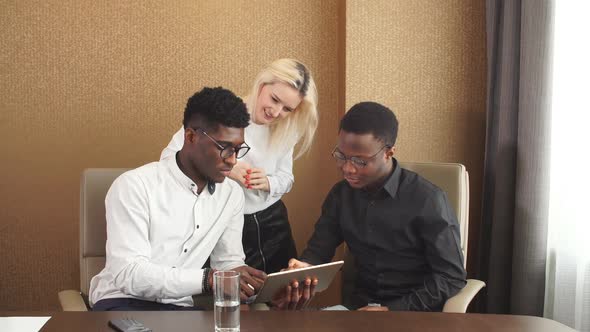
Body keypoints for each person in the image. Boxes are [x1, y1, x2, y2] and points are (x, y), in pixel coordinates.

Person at [89, 87, 267, 311]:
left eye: (238, 149)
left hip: (180, 310)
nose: (232, 161)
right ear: (191, 136)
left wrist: (264, 290)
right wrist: (207, 279)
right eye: (224, 147)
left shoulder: (231, 195)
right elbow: (129, 274)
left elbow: (228, 266)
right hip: (122, 302)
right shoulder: (134, 186)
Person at [287, 102, 467, 312]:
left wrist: (393, 311)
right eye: (341, 156)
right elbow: (318, 250)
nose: (347, 168)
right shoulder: (341, 195)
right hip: (358, 310)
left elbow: (451, 277)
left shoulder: (428, 199)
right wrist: (304, 268)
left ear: (388, 153)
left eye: (360, 161)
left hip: (413, 313)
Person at [160, 59, 319, 274]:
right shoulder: (222, 112)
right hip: (221, 220)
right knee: (226, 291)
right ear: (262, 84)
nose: (276, 112)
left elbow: (287, 179)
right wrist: (229, 168)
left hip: (271, 223)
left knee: (280, 294)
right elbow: (168, 160)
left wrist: (268, 183)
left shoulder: (287, 128)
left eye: (287, 109)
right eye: (274, 99)